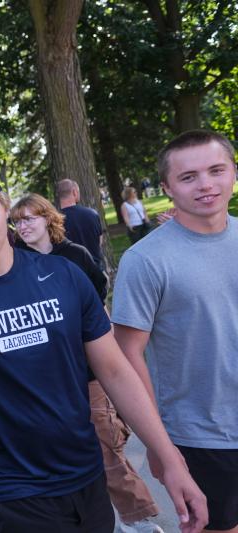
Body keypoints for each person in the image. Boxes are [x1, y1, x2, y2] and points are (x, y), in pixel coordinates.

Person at [0, 162, 206, 533]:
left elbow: (114, 371)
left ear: (4, 207)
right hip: (9, 494)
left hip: (86, 478)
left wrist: (167, 454)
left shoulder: (63, 276)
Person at [11, 194, 163, 533]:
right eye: (18, 221)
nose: (23, 226)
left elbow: (97, 299)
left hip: (89, 370)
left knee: (107, 443)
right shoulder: (15, 265)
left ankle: (135, 516)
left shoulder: (75, 256)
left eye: (29, 218)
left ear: (47, 219)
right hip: (45, 377)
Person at [113, 130, 238, 533]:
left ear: (233, 171)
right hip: (203, 436)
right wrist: (159, 445)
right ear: (166, 187)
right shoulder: (145, 260)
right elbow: (127, 356)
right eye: (189, 177)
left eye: (216, 170)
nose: (205, 184)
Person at [57, 178, 106, 271]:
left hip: (72, 272)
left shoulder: (55, 221)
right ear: (74, 192)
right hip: (95, 269)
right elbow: (99, 241)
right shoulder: (92, 214)